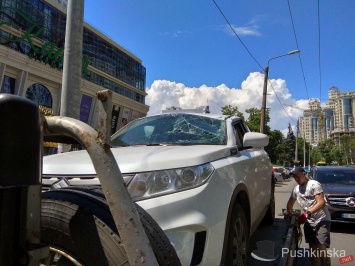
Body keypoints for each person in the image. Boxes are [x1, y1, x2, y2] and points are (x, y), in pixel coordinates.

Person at [286, 166, 331, 266]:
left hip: (322, 219)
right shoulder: (296, 189)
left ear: (304, 174)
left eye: (298, 176)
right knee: (313, 248)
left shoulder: (314, 185)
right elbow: (290, 204)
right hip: (309, 222)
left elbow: (321, 203)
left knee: (321, 247)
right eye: (294, 178)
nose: (296, 179)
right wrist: (289, 215)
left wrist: (307, 214)